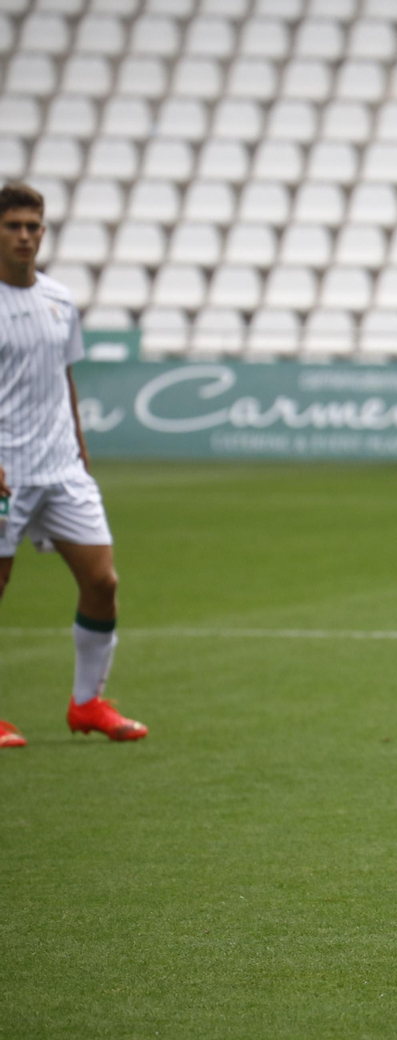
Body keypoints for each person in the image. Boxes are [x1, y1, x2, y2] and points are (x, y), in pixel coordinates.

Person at [0, 182, 146, 745]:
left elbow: (64, 378)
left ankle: (88, 704)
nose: (24, 236)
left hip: (62, 468)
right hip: (6, 470)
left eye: (32, 226)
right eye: (13, 226)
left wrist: (80, 452)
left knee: (102, 582)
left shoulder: (60, 299)